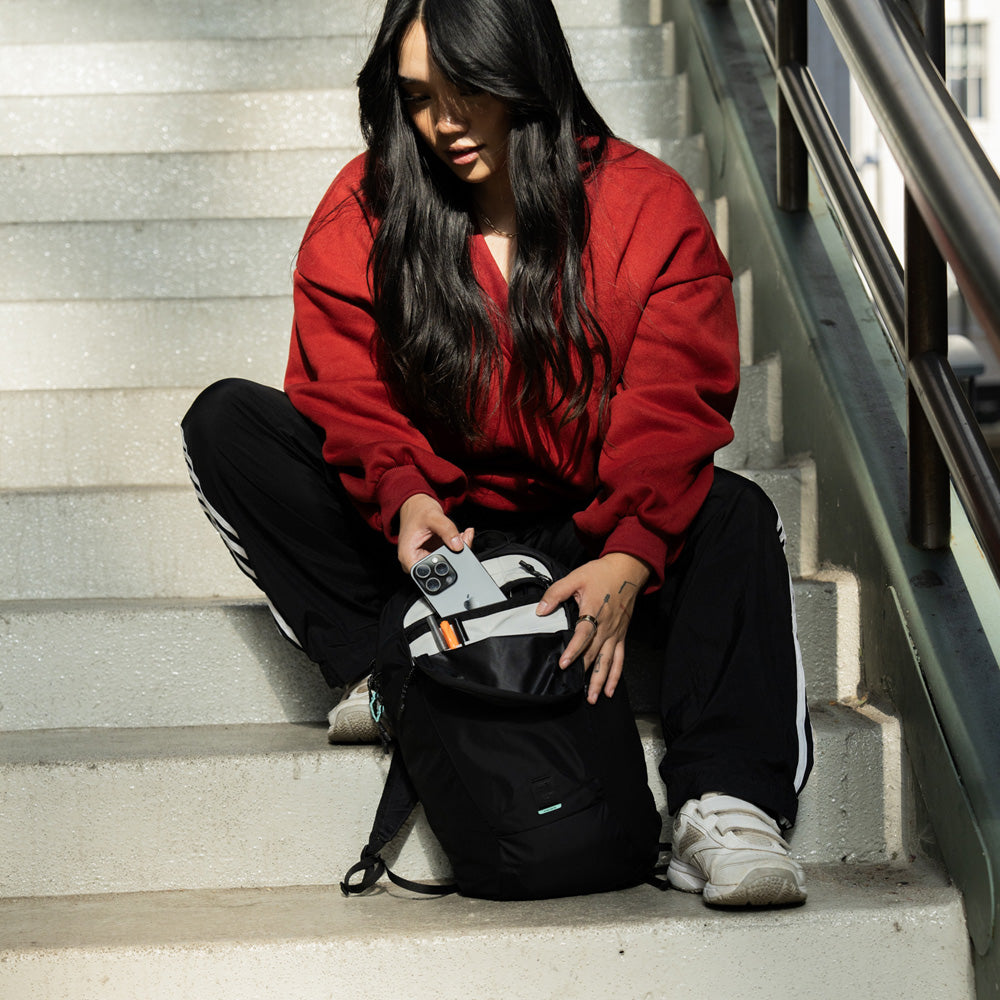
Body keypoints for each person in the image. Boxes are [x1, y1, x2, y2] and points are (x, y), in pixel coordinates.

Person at [181, 0, 813, 908]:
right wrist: (400, 495)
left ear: (528, 73)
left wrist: (632, 553)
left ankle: (726, 803)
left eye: (469, 90)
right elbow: (343, 388)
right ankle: (396, 667)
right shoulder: (367, 208)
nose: (443, 122)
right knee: (229, 425)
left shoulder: (646, 207)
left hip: (588, 534)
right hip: (447, 543)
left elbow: (677, 402)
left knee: (735, 512)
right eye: (418, 97)